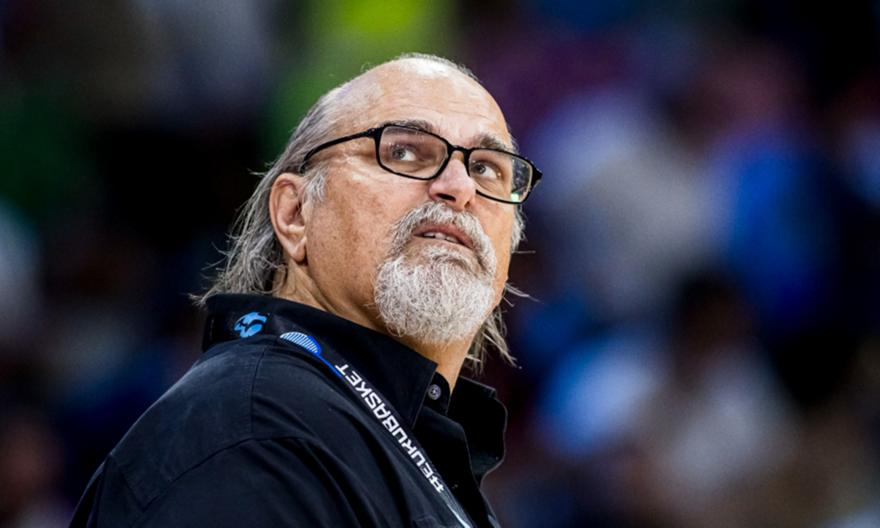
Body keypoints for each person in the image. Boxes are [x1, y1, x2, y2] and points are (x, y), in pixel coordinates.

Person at [70, 53, 541, 528]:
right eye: (404, 152)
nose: (459, 187)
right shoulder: (255, 436)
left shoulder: (368, 439)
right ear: (295, 214)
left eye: (487, 169)